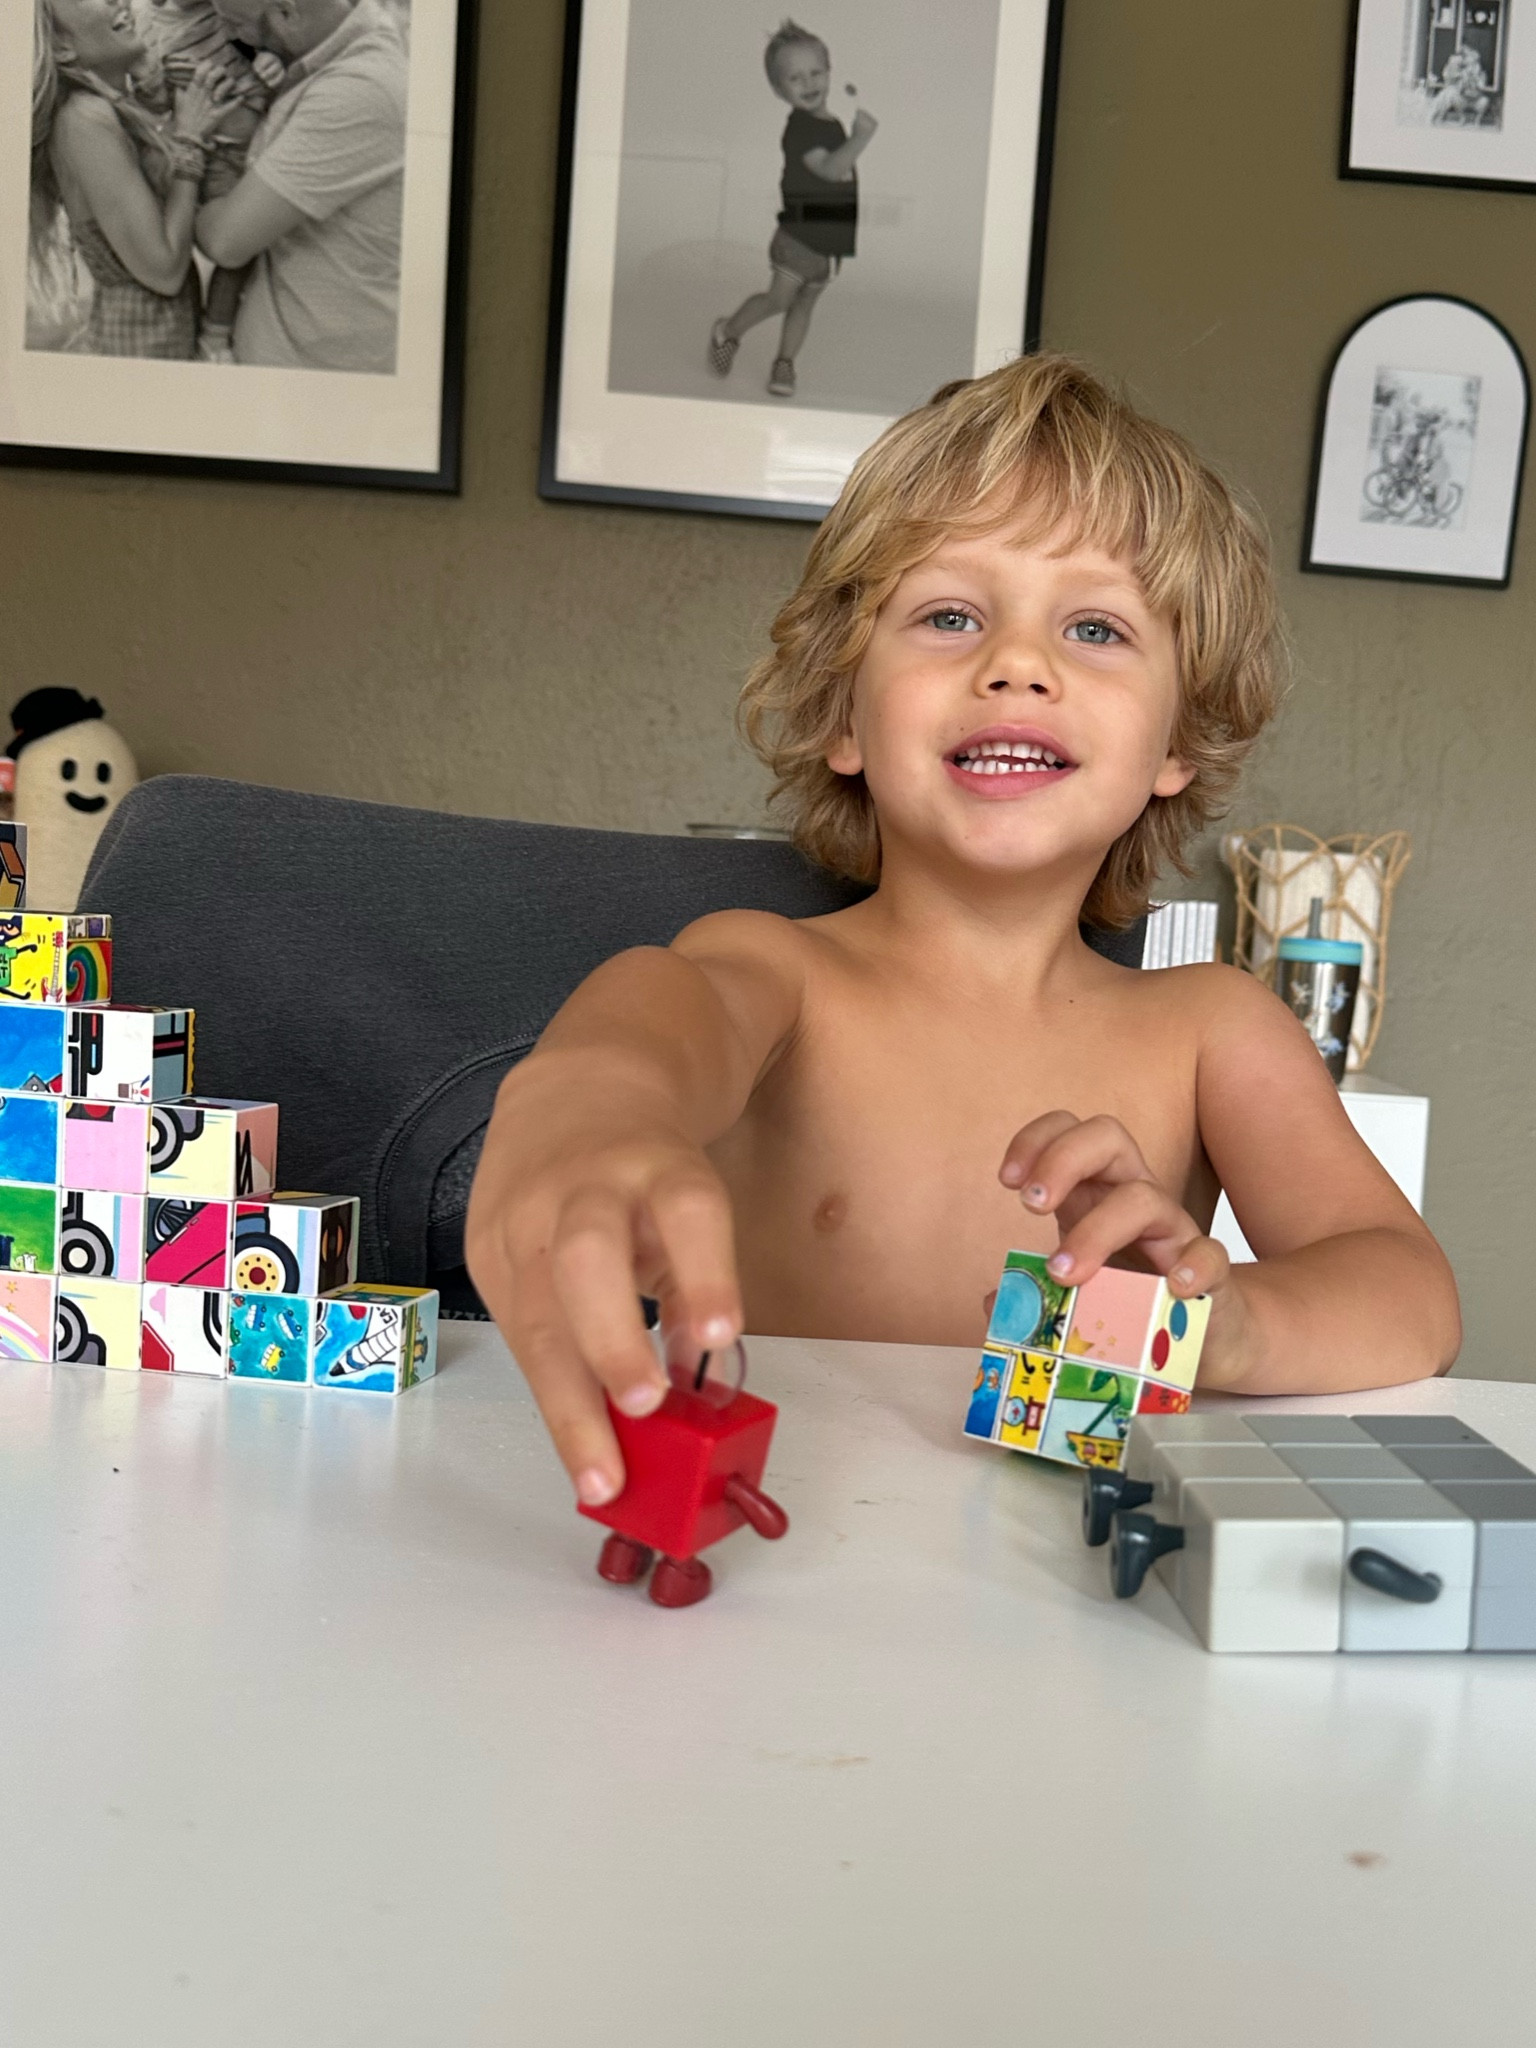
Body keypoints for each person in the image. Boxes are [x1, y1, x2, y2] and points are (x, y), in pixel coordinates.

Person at [464, 353, 1461, 1511]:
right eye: (950, 614)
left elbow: (1411, 1295)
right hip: (785, 1562)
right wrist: (581, 1103)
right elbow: (658, 1016)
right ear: (845, 711)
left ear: (1176, 744)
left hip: (1082, 1601)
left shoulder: (1213, 1027)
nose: (1017, 665)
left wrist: (1228, 1325)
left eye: (1095, 627)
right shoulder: (776, 969)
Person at [195, 0, 407, 374]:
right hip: (290, 365)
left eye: (235, 23)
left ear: (287, 14)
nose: (229, 36)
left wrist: (185, 166)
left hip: (317, 381)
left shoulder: (358, 88)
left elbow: (226, 241)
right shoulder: (320, 60)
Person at [29, 0, 234, 359]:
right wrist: (189, 140)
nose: (118, 0)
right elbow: (165, 270)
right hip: (140, 349)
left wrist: (153, 94)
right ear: (61, 46)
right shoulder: (83, 119)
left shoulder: (104, 107)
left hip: (158, 342)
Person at [708, 18, 877, 402]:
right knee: (779, 299)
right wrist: (861, 137)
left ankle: (784, 361)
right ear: (778, 88)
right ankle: (728, 331)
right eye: (795, 78)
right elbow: (831, 170)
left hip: (830, 240)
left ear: (830, 72)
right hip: (799, 236)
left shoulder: (830, 122)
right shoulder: (800, 128)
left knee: (805, 304)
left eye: (815, 72)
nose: (809, 83)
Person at [133, 0, 286, 363]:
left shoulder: (225, 12)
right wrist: (153, 81)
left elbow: (263, 50)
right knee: (223, 248)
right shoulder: (150, 24)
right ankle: (205, 332)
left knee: (255, 246)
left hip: (259, 142)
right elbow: (153, 104)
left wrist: (269, 63)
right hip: (209, 153)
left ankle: (229, 328)